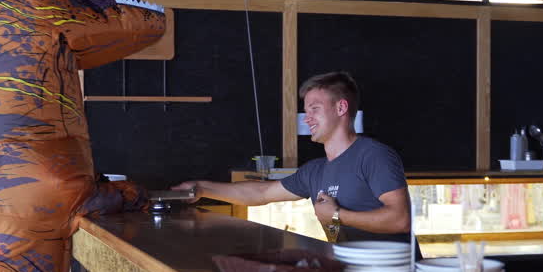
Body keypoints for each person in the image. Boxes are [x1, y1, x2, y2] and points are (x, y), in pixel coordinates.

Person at [175, 71, 411, 244]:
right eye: (306, 111)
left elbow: (400, 220)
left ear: (341, 108)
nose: (306, 118)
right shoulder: (315, 171)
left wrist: (337, 216)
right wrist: (202, 188)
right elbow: (261, 193)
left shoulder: (374, 155)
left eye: (314, 109)